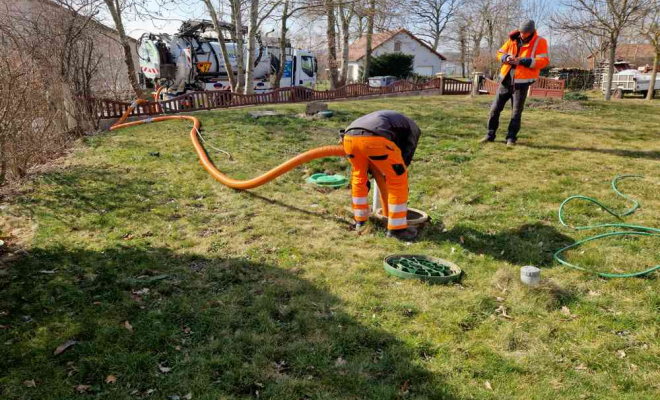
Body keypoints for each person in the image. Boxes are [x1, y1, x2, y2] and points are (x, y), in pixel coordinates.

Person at [340, 111, 421, 241]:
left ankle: (361, 221)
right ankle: (397, 230)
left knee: (359, 178)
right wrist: (399, 169)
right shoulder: (413, 128)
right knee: (398, 180)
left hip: (348, 139)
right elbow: (408, 150)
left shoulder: (390, 119)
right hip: (373, 140)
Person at [479, 20, 549, 146]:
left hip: (521, 85)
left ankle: (511, 139)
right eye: (521, 31)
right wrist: (506, 58)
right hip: (505, 82)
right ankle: (489, 135)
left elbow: (543, 61)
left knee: (516, 113)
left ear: (532, 31)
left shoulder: (540, 41)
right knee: (494, 110)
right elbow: (500, 53)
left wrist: (521, 61)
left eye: (525, 33)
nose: (522, 34)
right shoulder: (512, 39)